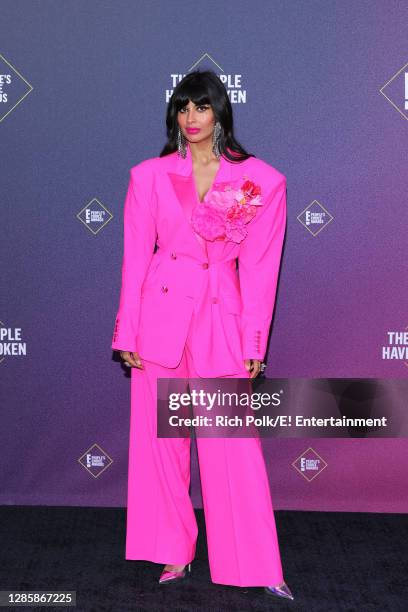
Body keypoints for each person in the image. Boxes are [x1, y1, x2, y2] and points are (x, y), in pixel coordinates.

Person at [111, 69, 294, 601]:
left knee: (230, 446)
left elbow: (260, 270)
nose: (191, 118)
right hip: (159, 319)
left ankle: (256, 563)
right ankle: (173, 551)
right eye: (183, 108)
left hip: (221, 318)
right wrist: (128, 327)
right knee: (162, 444)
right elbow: (133, 259)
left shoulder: (258, 180)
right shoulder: (148, 176)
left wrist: (253, 342)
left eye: (202, 107)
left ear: (220, 112)